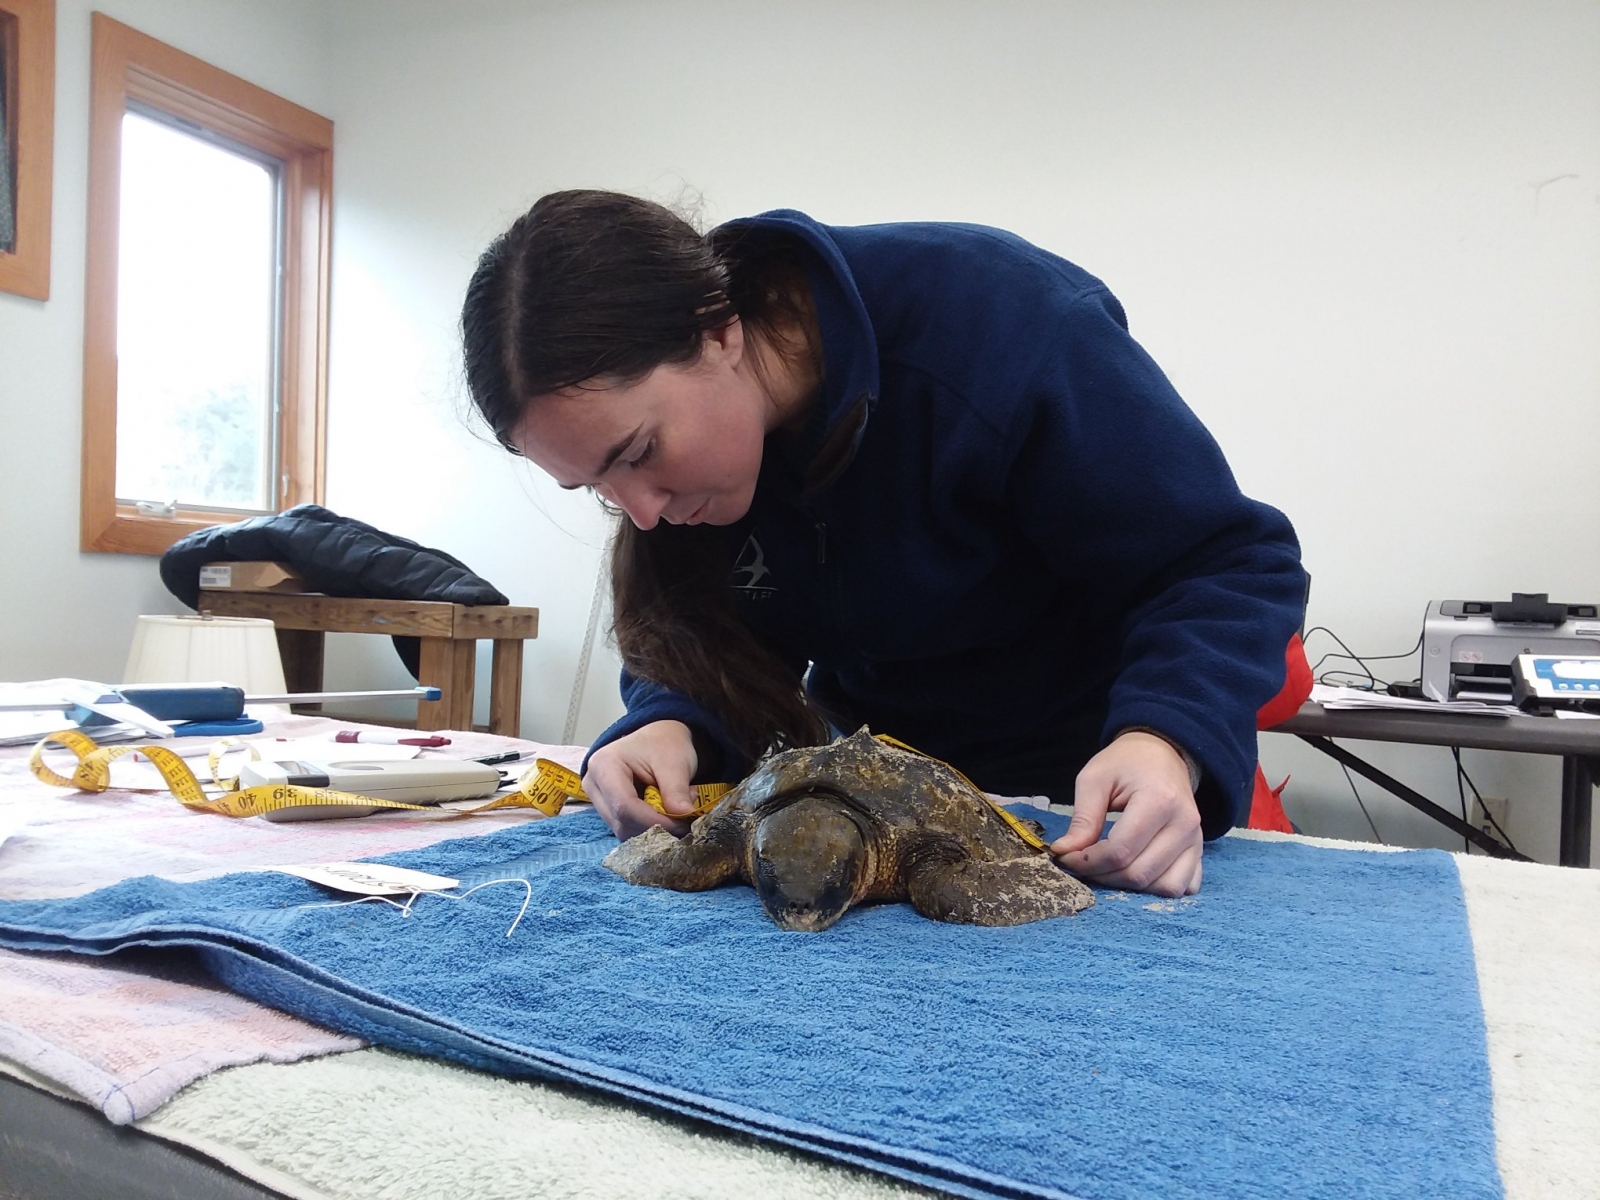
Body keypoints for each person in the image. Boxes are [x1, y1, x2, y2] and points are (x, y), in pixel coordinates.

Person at [461, 190, 1306, 898]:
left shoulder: (1007, 329)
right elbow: (714, 627)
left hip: (1093, 784)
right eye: (598, 491)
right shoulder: (695, 476)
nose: (640, 512)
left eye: (639, 454)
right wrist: (670, 721)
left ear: (717, 331)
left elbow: (1225, 563)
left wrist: (1163, 738)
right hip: (879, 796)